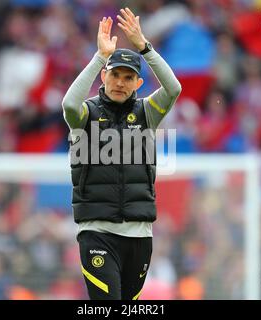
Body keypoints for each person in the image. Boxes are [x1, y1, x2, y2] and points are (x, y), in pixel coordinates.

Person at [62, 7, 181, 300]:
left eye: (128, 77)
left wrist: (145, 47)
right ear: (104, 76)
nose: (120, 82)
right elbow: (68, 104)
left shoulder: (147, 113)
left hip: (140, 238)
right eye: (115, 75)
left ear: (138, 84)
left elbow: (173, 88)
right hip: (97, 233)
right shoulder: (86, 113)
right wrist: (99, 56)